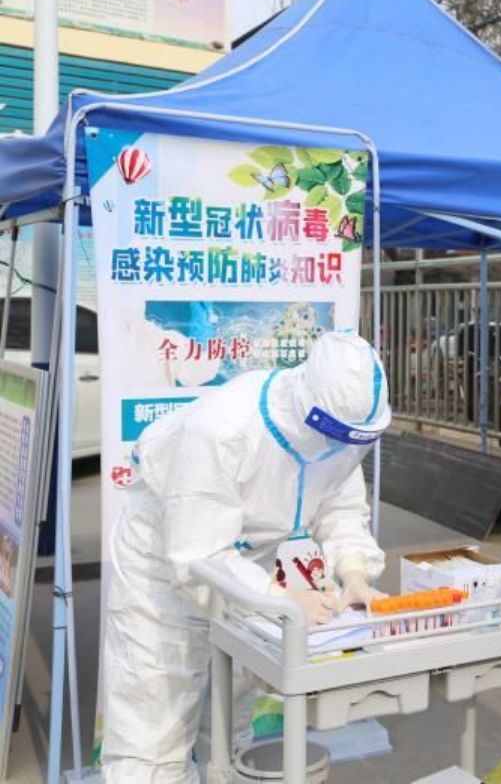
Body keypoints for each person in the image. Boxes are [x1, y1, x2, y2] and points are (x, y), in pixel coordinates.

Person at [102, 331, 390, 783]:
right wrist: (281, 598)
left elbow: (340, 503)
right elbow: (197, 554)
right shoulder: (223, 429)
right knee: (154, 720)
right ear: (307, 405)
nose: (343, 446)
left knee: (228, 717)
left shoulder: (344, 431)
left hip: (250, 564)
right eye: (335, 434)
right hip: (162, 558)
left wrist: (353, 573)